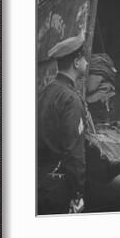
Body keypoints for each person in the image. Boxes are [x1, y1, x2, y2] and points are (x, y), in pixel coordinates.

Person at [38, 34, 89, 215]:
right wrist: (77, 193)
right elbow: (74, 153)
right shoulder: (71, 99)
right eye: (84, 58)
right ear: (76, 63)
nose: (86, 63)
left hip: (40, 179)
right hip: (58, 187)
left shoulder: (47, 90)